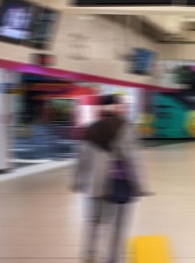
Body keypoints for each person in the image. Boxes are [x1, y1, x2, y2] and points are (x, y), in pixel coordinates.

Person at [73, 94, 150, 263]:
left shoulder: (91, 128)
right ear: (117, 107)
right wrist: (141, 185)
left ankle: (89, 254)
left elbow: (82, 158)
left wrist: (77, 181)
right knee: (118, 225)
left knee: (93, 221)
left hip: (94, 185)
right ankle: (113, 258)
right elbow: (132, 158)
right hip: (117, 184)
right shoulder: (123, 128)